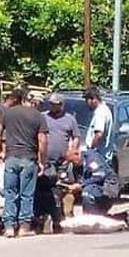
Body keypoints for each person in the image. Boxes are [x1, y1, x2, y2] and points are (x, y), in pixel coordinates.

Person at [0, 88, 48, 238]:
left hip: (11, 157)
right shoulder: (38, 116)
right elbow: (42, 140)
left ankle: (9, 226)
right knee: (26, 194)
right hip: (28, 158)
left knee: (10, 192)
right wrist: (42, 161)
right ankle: (24, 227)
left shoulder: (8, 114)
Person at [34, 93, 79, 233]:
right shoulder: (43, 117)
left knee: (63, 188)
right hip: (46, 161)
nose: (54, 106)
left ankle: (62, 218)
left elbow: (76, 137)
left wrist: (72, 151)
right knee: (44, 189)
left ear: (62, 105)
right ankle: (42, 218)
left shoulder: (69, 119)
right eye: (52, 104)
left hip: (63, 162)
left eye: (57, 104)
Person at [83, 87, 113, 160]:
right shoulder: (105, 109)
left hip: (98, 156)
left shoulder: (100, 113)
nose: (86, 103)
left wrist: (91, 149)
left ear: (93, 99)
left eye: (87, 100)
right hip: (101, 155)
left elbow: (99, 134)